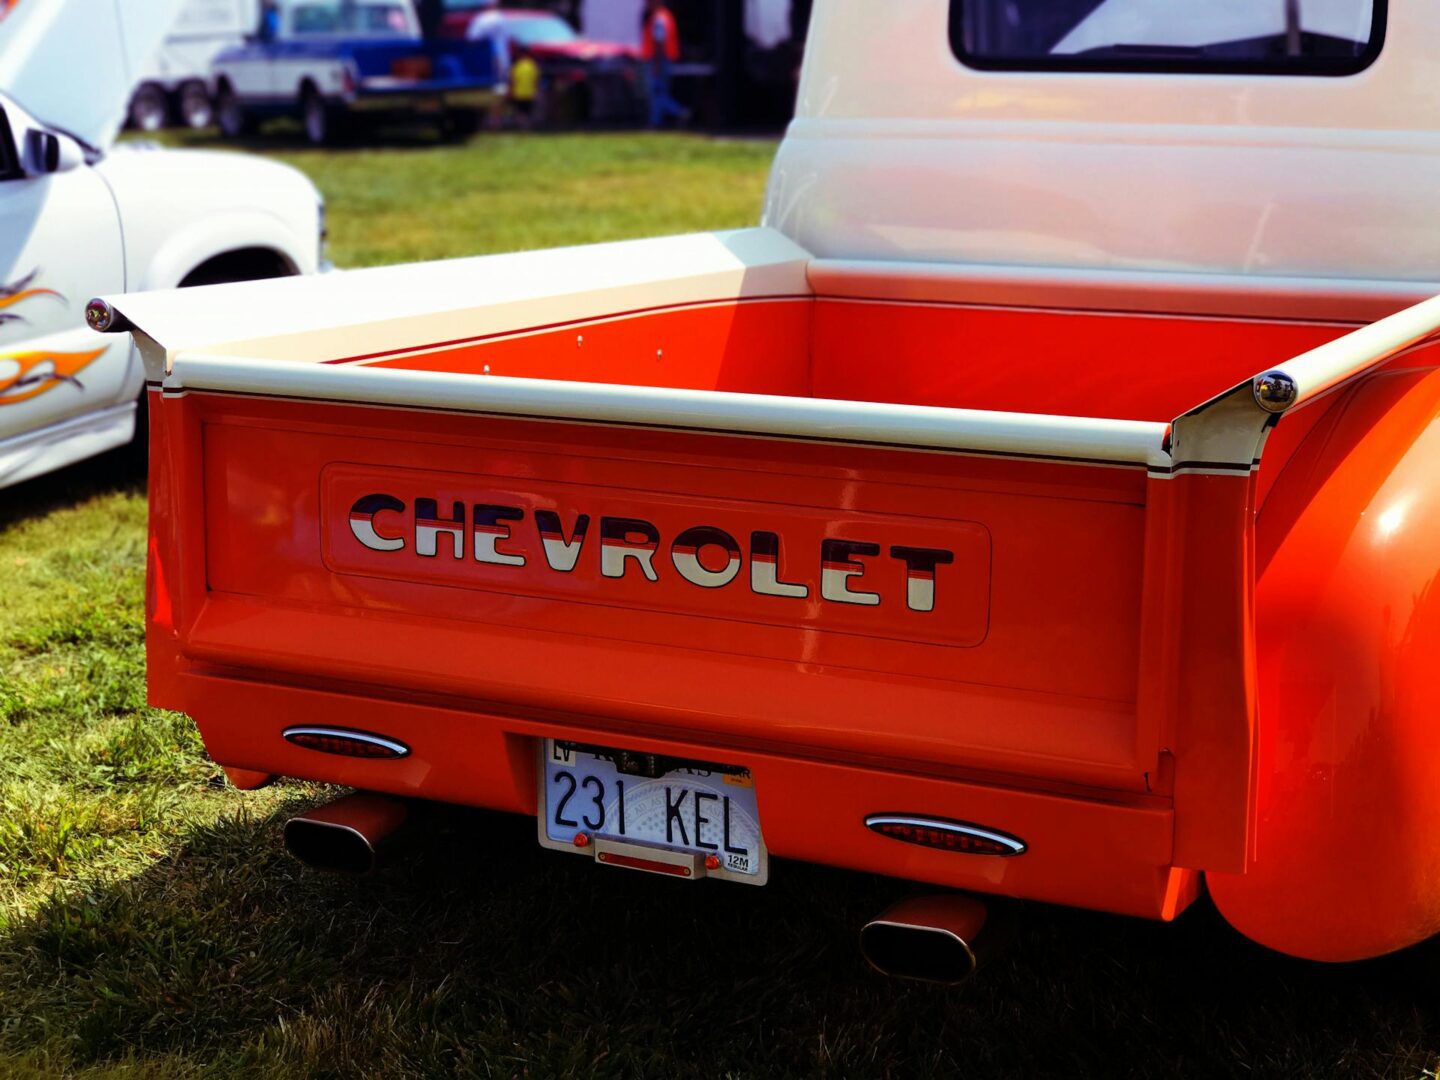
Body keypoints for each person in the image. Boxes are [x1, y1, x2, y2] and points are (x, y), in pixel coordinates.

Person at [641, 0, 688, 128]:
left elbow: (659, 41)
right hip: (662, 60)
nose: (646, 4)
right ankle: (656, 120)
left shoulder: (659, 18)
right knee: (659, 92)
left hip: (658, 60)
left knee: (657, 92)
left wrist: (657, 63)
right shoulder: (665, 15)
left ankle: (679, 112)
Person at [509, 46, 541, 129]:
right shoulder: (532, 65)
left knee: (520, 112)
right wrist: (537, 92)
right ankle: (526, 127)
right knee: (528, 112)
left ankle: (522, 127)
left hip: (518, 93)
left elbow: (513, 80)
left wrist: (511, 91)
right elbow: (536, 80)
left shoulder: (516, 66)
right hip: (530, 93)